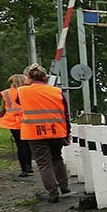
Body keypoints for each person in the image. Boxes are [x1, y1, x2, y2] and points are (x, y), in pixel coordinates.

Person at [17, 64, 71, 203]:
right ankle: (64, 187)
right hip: (56, 131)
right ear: (45, 77)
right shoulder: (56, 91)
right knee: (57, 158)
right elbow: (66, 114)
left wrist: (27, 82)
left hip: (35, 133)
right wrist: (67, 133)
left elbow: (18, 102)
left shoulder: (22, 91)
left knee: (44, 163)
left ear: (28, 78)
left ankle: (53, 193)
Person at [0, 74, 33, 177]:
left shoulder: (6, 93)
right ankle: (29, 167)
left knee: (20, 144)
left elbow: (2, 109)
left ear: (12, 82)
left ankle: (24, 169)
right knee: (28, 143)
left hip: (14, 121)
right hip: (28, 120)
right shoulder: (28, 91)